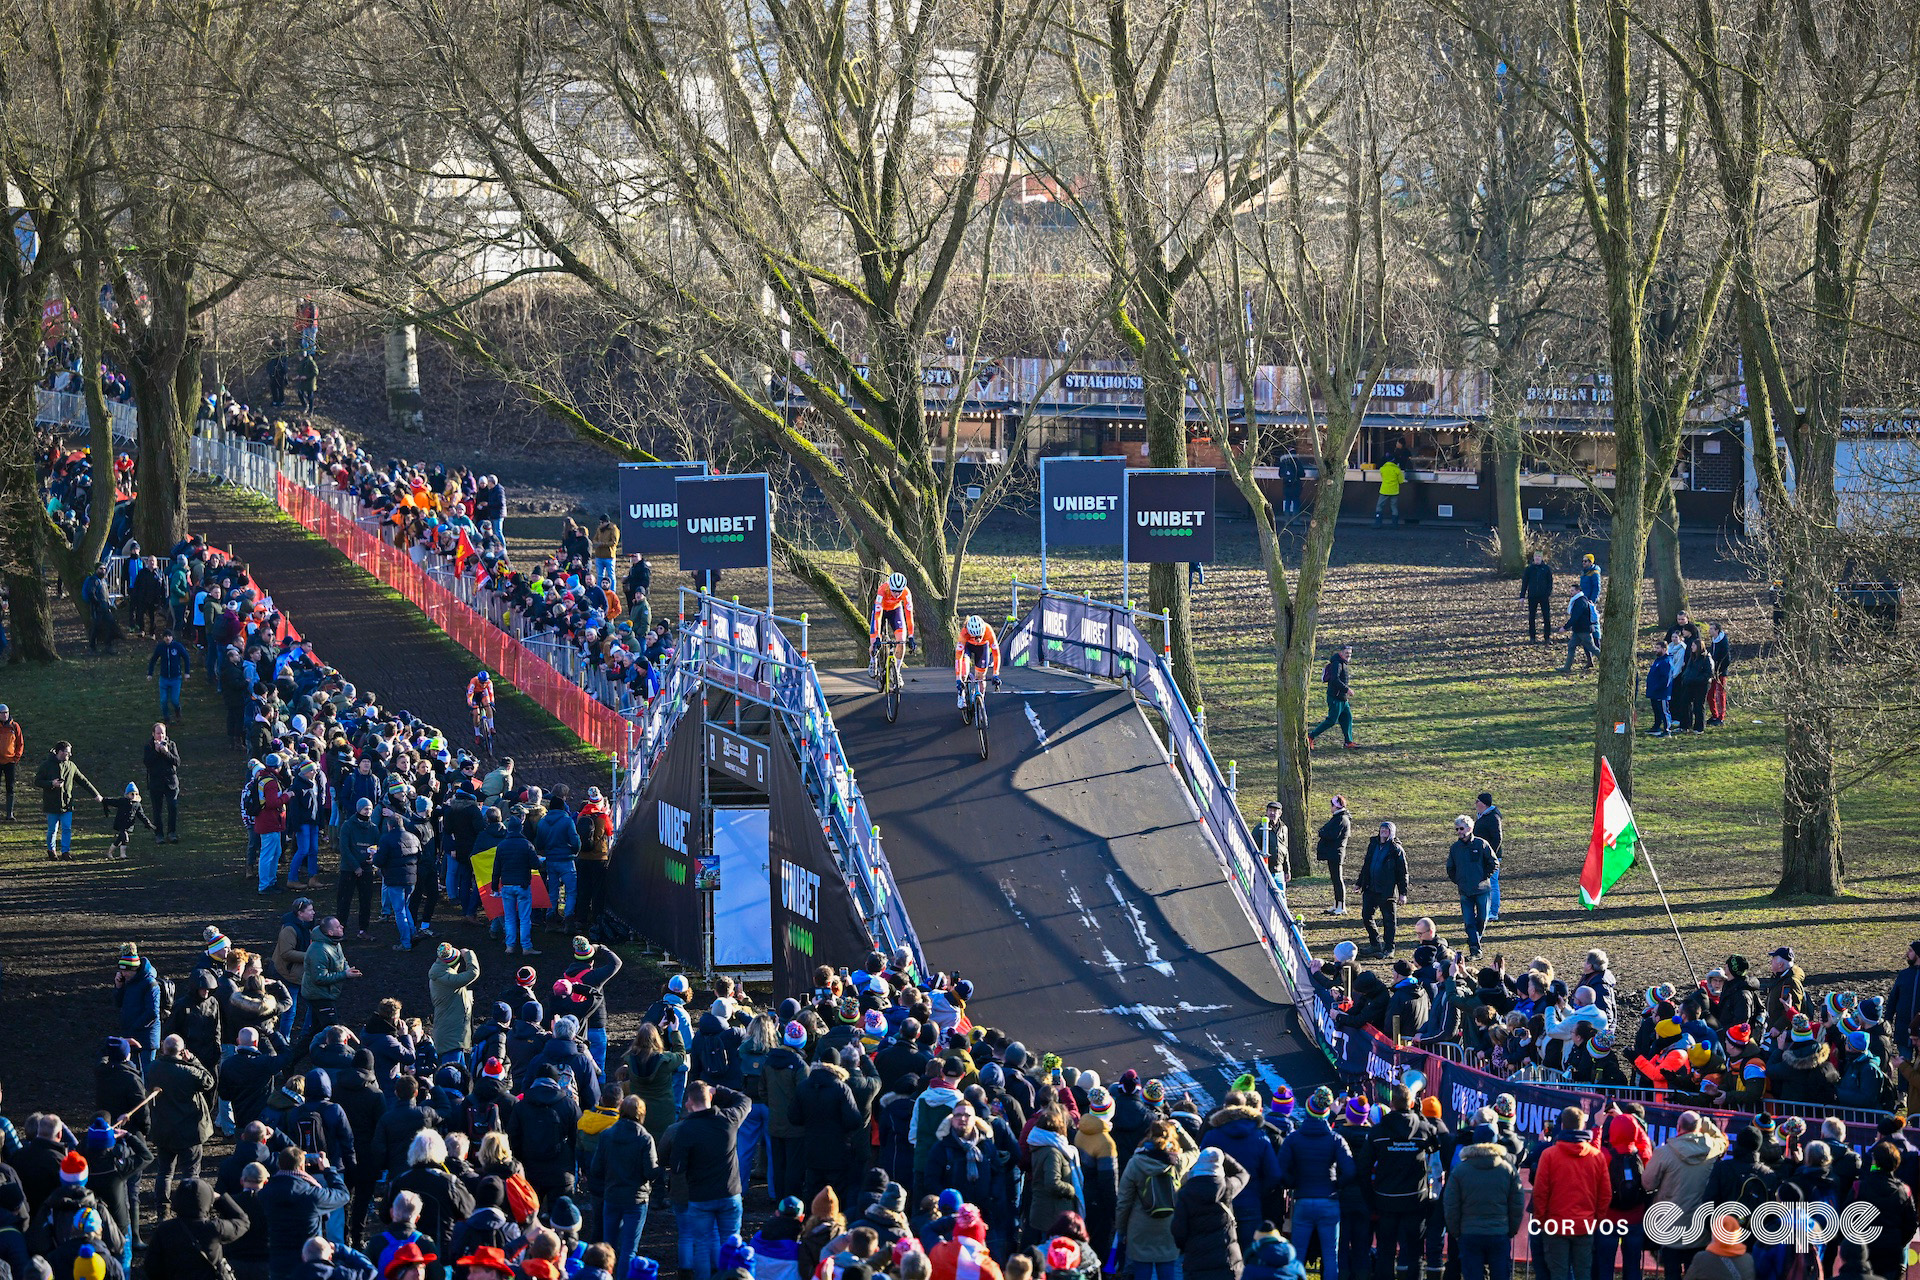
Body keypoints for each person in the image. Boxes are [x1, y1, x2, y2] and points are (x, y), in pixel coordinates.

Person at [662, 1082, 752, 1280]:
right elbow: (745, 1100)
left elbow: (677, 1168)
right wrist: (720, 1089)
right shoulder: (729, 1119)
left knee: (701, 1245)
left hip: (700, 1197)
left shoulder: (685, 1130)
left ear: (689, 1104)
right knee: (731, 1243)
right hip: (729, 1193)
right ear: (710, 1098)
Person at [1530, 1106, 1610, 1280]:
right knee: (1583, 1273)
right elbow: (1605, 1194)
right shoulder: (1596, 1156)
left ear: (1563, 1125)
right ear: (1582, 1126)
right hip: (1584, 1225)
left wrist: (1541, 1221)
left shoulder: (1549, 1155)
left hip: (1555, 1226)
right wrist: (1596, 1220)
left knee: (1558, 1273)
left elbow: (1540, 1191)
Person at [1645, 1112, 1727, 1280]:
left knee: (1671, 1274)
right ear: (1699, 1128)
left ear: (1678, 1128)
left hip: (1669, 1226)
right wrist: (1706, 1124)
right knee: (1695, 1273)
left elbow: (1647, 1184)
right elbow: (1723, 1140)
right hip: (1699, 1228)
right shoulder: (1712, 1147)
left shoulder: (1664, 1152)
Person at [1444, 1114, 1524, 1280]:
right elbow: (1517, 1203)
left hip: (1469, 1234)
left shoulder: (1460, 1170)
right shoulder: (1507, 1169)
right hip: (1499, 1233)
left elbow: (1451, 1204)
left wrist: (1456, 1232)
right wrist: (1511, 1230)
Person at [1170, 1148, 1247, 1280]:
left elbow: (1178, 1230)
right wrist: (1223, 1155)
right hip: (1227, 1262)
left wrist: (1186, 1247)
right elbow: (1243, 1174)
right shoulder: (1227, 1188)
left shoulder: (1185, 1193)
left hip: (1196, 1262)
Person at [36, 739, 102, 860]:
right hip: (51, 804)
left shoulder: (71, 766)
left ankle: (65, 852)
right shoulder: (46, 765)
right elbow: (37, 781)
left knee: (67, 828)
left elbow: (83, 781)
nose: (69, 755)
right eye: (67, 752)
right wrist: (51, 783)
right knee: (52, 829)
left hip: (67, 804)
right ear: (59, 752)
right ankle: (52, 851)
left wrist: (96, 794)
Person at [1446, 815, 1498, 959]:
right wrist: (1459, 881)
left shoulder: (1482, 844)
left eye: (1461, 828)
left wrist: (1483, 876)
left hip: (1482, 890)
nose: (1459, 832)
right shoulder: (1455, 848)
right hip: (1465, 891)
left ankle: (1475, 942)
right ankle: (1475, 949)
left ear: (1470, 828)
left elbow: (1493, 863)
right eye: (1457, 829)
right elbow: (1450, 868)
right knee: (1469, 922)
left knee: (1481, 919)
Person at [1357, 821, 1408, 959]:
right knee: (1366, 916)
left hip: (1387, 891)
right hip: (1370, 888)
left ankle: (1389, 948)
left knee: (1389, 921)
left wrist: (1403, 893)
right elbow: (1366, 865)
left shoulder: (1396, 849)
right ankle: (1375, 944)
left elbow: (1402, 872)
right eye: (1382, 828)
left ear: (1392, 832)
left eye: (1387, 829)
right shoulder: (1373, 845)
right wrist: (1360, 883)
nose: (1384, 831)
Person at [303, 917, 363, 1033]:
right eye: (338, 927)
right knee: (332, 1030)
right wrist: (345, 974)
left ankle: (301, 1051)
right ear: (330, 932)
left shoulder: (334, 942)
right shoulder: (319, 950)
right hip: (319, 996)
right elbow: (319, 978)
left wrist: (347, 969)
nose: (342, 927)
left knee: (315, 1030)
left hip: (326, 993)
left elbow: (342, 959)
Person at [1307, 645, 1355, 749]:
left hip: (1342, 698)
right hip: (1335, 697)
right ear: (1341, 653)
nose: (1348, 655)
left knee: (1347, 718)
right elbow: (1334, 680)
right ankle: (1310, 736)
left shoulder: (1343, 663)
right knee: (1331, 720)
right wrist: (1347, 690)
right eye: (1347, 653)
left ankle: (1348, 742)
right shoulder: (1337, 664)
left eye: (1350, 653)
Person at [869, 573, 917, 673]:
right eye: (894, 591)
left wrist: (911, 636)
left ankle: (896, 672)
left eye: (899, 591)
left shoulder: (906, 593)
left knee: (901, 642)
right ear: (890, 587)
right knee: (874, 642)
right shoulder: (882, 590)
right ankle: (873, 661)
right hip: (881, 611)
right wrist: (877, 636)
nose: (897, 594)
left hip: (895, 610)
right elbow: (877, 616)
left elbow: (909, 615)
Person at [145, 722, 183, 843]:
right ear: (153, 734)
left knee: (172, 807)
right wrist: (156, 752)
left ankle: (172, 833)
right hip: (156, 783)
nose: (160, 735)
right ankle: (159, 835)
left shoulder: (171, 745)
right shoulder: (149, 746)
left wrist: (166, 752)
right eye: (158, 733)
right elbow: (147, 762)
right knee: (157, 810)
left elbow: (177, 762)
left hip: (170, 782)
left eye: (162, 733)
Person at [953, 615, 1000, 711]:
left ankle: (980, 702)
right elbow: (958, 657)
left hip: (982, 648)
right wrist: (958, 678)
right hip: (968, 647)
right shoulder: (964, 634)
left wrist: (995, 674)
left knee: (981, 677)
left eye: (980, 636)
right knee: (964, 673)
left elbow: (996, 654)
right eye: (974, 637)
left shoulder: (988, 631)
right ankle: (961, 696)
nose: (977, 639)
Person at [1315, 796, 1350, 915]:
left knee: (1338, 879)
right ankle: (1336, 904)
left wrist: (1322, 832)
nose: (1331, 807)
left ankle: (1341, 905)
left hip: (1336, 853)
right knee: (1335, 879)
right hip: (1333, 853)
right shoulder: (1338, 818)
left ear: (1336, 806)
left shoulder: (1341, 819)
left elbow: (1331, 834)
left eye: (1332, 805)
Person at [149, 629, 193, 721]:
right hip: (164, 678)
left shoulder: (177, 646)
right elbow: (153, 660)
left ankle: (177, 710)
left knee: (174, 700)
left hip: (176, 678)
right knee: (163, 700)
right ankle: (166, 718)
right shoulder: (160, 647)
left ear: (172, 637)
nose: (167, 638)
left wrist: (187, 672)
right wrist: (150, 673)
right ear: (163, 638)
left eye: (169, 636)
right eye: (165, 636)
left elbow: (186, 658)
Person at [1672, 639, 1713, 735]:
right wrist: (1685, 677)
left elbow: (1708, 673)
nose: (1691, 647)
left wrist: (1696, 679)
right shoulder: (1692, 657)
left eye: (1694, 646)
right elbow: (1688, 669)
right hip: (1689, 684)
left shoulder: (1706, 658)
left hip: (1700, 686)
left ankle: (1699, 727)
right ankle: (1684, 725)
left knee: (1699, 706)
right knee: (1684, 703)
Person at [1557, 592, 1600, 674]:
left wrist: (1565, 627)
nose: (1571, 592)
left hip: (1583, 630)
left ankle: (1607, 663)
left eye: (1572, 590)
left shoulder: (1580, 601)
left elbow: (1575, 617)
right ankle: (1567, 667)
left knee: (1592, 648)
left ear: (1577, 591)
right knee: (1571, 646)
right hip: (1578, 630)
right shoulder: (1580, 600)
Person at [1521, 551, 1553, 643]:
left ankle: (1547, 637)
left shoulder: (1546, 569)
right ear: (1533, 558)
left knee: (1546, 617)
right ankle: (1532, 637)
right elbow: (1524, 583)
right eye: (1536, 556)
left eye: (1539, 556)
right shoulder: (1529, 569)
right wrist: (1522, 596)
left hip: (1544, 597)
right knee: (1531, 617)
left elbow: (1550, 583)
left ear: (1542, 558)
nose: (1537, 558)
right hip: (1532, 596)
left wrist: (1547, 593)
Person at [0, 703, 22, 821]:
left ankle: (10, 813)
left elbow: (20, 743)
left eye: (6, 712)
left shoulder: (14, 726)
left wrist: (16, 757)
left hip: (10, 762)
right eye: (2, 713)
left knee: (10, 787)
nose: (4, 715)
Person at [1707, 622, 1732, 725]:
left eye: (1712, 629)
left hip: (1720, 673)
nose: (1710, 630)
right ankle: (1715, 714)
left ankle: (1721, 717)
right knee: (1710, 694)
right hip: (1713, 672)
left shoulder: (1723, 642)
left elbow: (1726, 659)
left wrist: (1719, 671)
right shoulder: (1714, 641)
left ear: (1717, 630)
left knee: (1720, 695)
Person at [466, 673, 495, 748]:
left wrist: (492, 702)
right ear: (478, 680)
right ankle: (477, 734)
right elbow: (470, 695)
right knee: (476, 713)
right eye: (481, 682)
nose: (483, 684)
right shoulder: (474, 681)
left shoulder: (489, 683)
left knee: (488, 705)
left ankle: (491, 727)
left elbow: (491, 694)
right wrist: (471, 704)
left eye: (484, 682)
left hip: (483, 693)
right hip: (474, 694)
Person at [1374, 458, 1405, 527]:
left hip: (1384, 490)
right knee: (1394, 506)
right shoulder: (1397, 470)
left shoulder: (1382, 469)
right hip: (1394, 491)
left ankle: (1378, 523)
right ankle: (1395, 524)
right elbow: (1401, 481)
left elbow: (1382, 477)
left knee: (1379, 506)